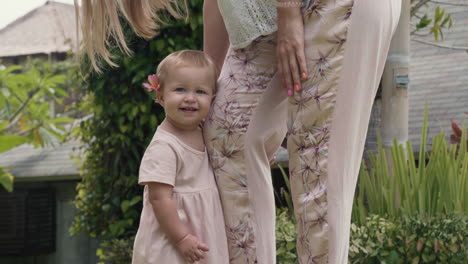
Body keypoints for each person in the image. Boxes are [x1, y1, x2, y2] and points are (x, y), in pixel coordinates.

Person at [77, 0, 402, 263]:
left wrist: (288, 10)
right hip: (262, 24)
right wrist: (209, 84)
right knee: (225, 133)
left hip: (328, 7)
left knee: (316, 165)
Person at [132, 50, 229, 264]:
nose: (190, 98)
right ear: (161, 96)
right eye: (180, 89)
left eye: (200, 91)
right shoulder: (164, 146)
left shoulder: (205, 131)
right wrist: (182, 239)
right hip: (172, 242)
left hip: (201, 234)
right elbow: (159, 199)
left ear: (213, 98)